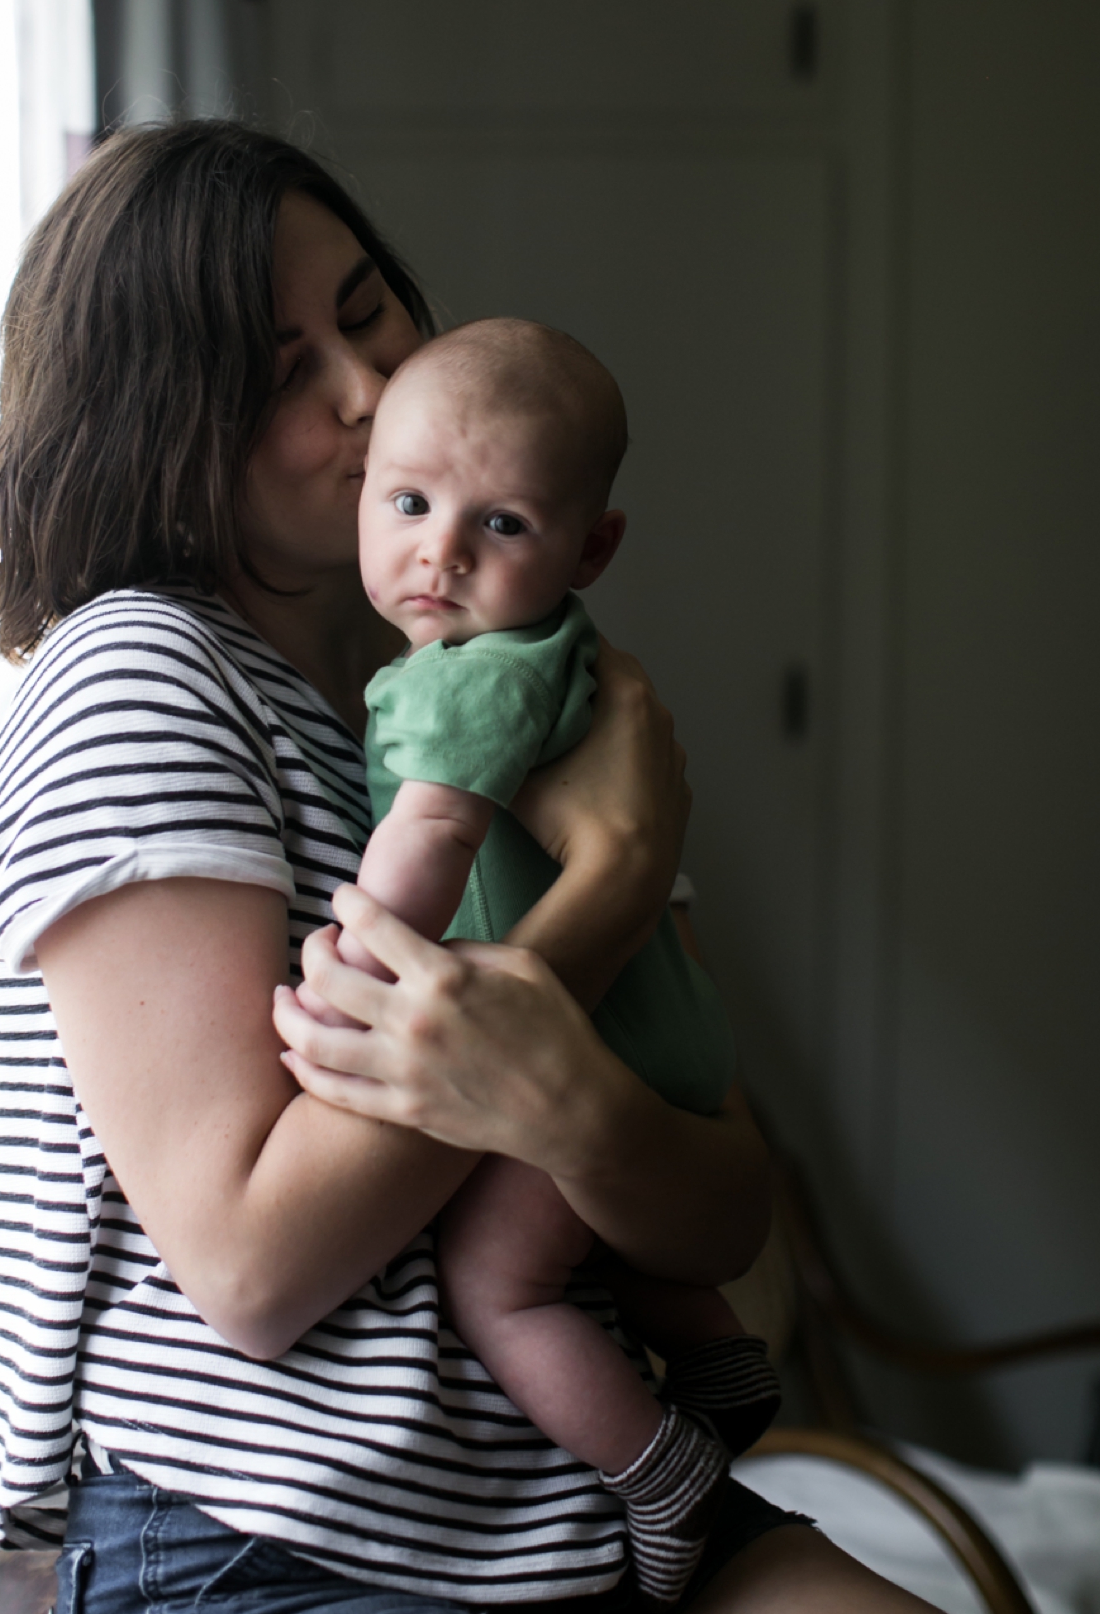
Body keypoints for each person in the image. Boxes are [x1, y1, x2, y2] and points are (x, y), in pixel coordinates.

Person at [0, 118, 939, 1614]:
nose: (365, 389)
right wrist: (611, 882)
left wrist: (570, 1054)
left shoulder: (479, 666)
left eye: (364, 310)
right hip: (280, 1544)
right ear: (161, 422)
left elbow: (724, 1206)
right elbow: (251, 1262)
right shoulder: (136, 676)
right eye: (286, 371)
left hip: (585, 1506)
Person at [318, 317, 780, 1606]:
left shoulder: (460, 677)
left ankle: (657, 1471)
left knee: (499, 1285)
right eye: (409, 501)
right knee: (583, 1239)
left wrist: (347, 974)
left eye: (502, 523)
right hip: (656, 1025)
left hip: (587, 1037)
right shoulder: (568, 658)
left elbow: (424, 848)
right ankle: (713, 1349)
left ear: (592, 547)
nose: (442, 549)